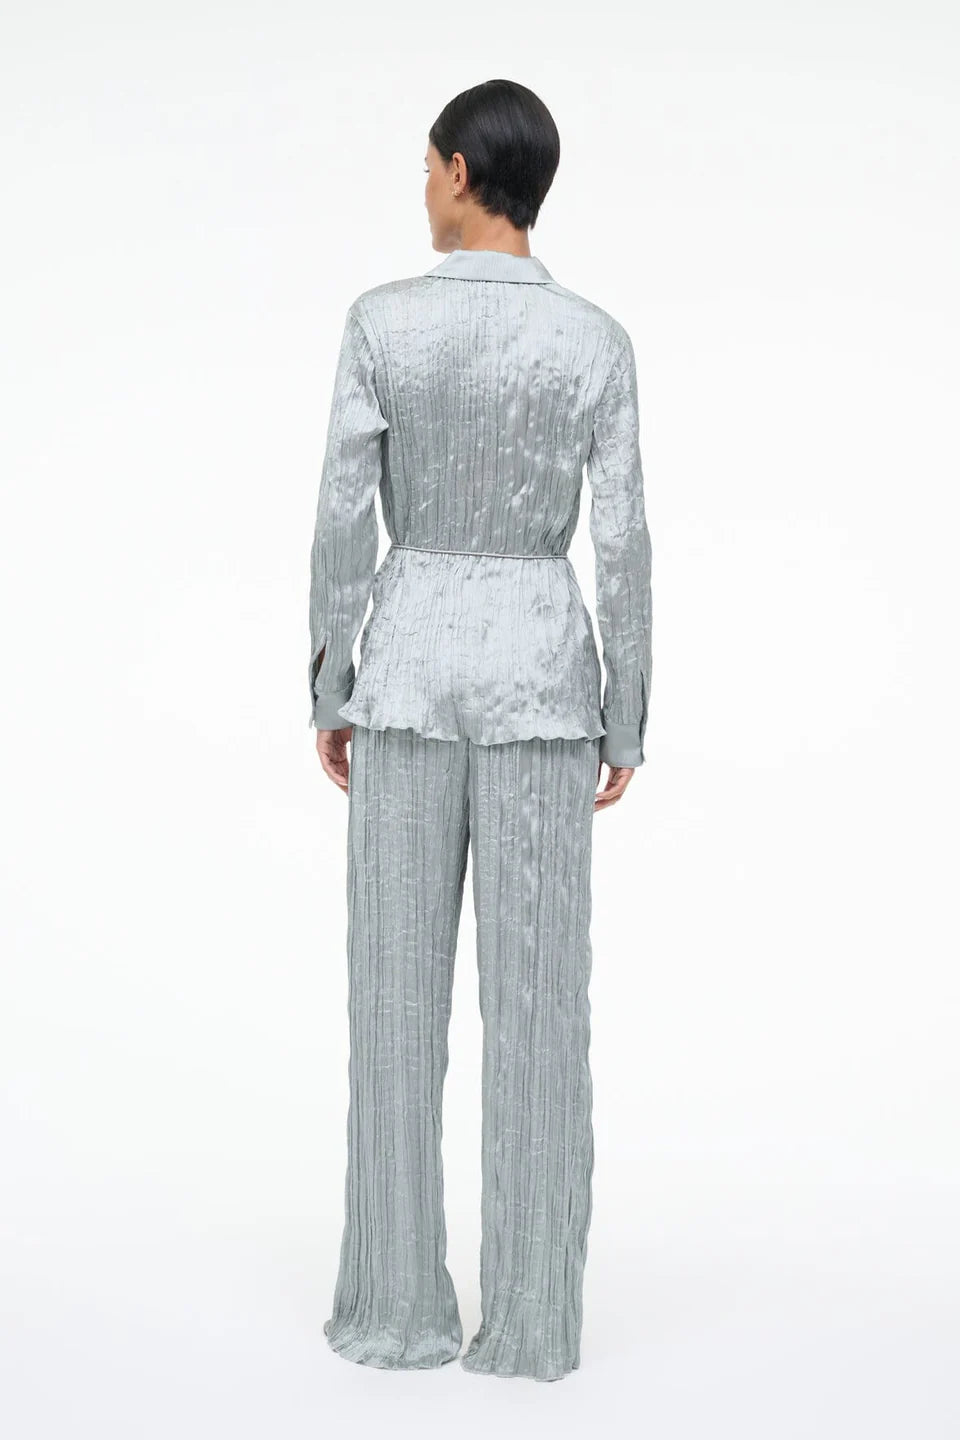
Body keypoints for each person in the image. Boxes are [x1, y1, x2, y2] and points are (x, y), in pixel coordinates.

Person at [307, 78, 652, 1382]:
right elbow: (624, 540)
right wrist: (628, 714)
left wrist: (331, 685)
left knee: (393, 1003)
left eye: (426, 167)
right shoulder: (597, 342)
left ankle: (395, 1310)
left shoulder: (381, 323)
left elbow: (344, 521)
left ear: (459, 170)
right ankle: (533, 1322)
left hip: (404, 677)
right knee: (542, 1011)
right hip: (545, 688)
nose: (424, 188)